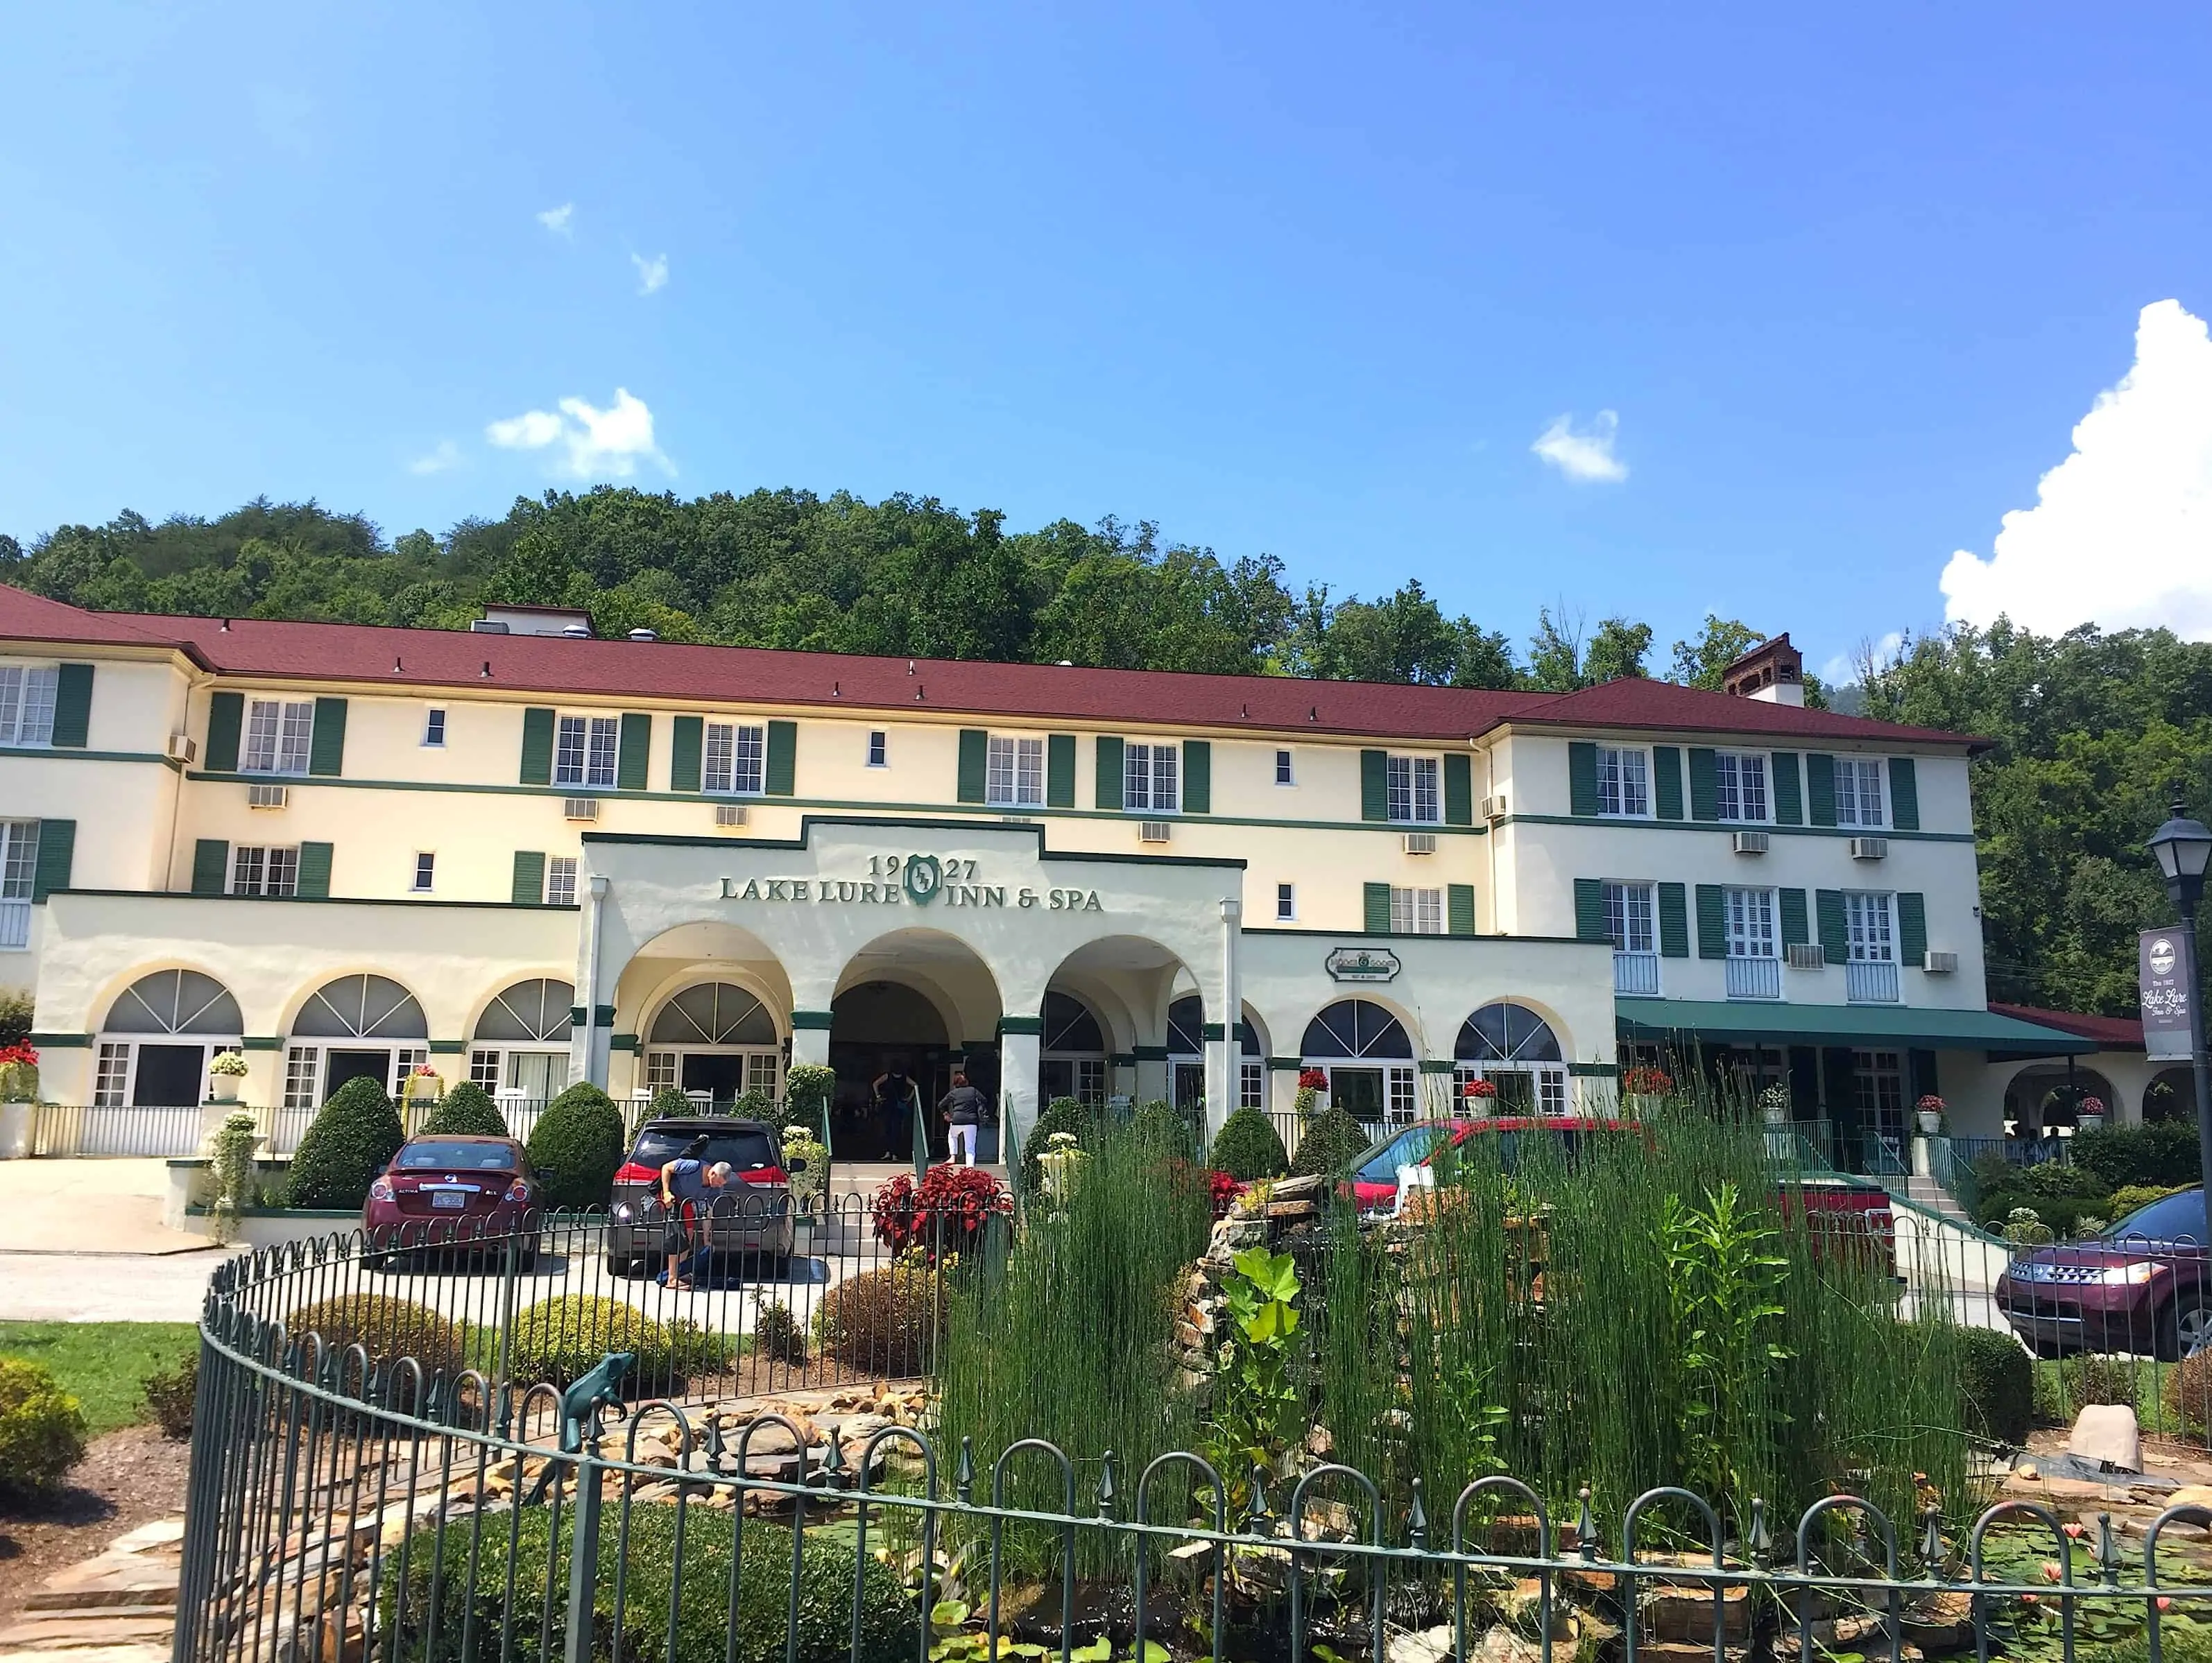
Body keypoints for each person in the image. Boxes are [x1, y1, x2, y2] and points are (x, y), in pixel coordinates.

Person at [656, 1146, 732, 1290]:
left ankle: (680, 1272)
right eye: (718, 1182)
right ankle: (671, 1279)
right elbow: (666, 1168)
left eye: (721, 1185)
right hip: (672, 1198)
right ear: (713, 1172)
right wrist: (666, 1193)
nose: (717, 1186)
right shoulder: (694, 1166)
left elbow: (708, 1211)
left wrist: (706, 1239)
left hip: (686, 1202)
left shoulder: (715, 1188)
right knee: (677, 1236)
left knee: (688, 1234)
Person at [938, 1071, 986, 1166]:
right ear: (967, 1082)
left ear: (955, 1084)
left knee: (952, 1136)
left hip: (957, 1120)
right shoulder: (973, 1090)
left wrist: (946, 1114)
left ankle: (953, 1157)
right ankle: (970, 1168)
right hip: (971, 1121)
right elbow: (984, 1100)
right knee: (970, 1147)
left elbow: (941, 1104)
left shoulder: (954, 1093)